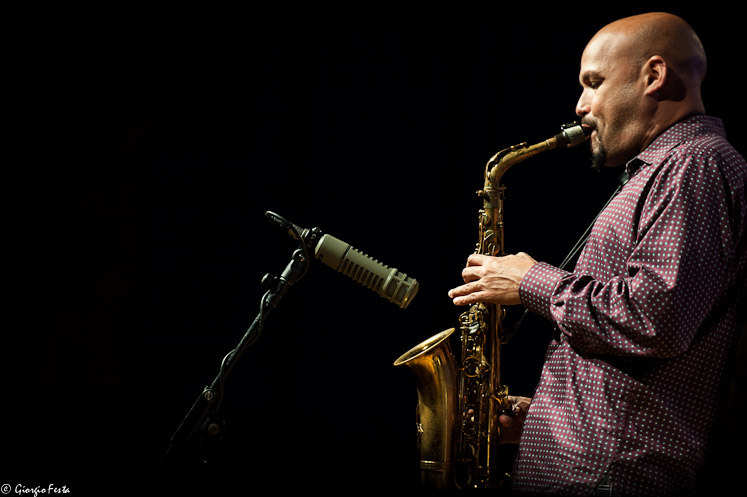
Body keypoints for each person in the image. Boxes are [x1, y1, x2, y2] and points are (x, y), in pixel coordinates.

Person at [448, 12, 746, 496]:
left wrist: (529, 281)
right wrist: (546, 417)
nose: (580, 105)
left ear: (654, 75)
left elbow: (654, 317)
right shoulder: (661, 171)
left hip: (607, 478)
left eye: (594, 83)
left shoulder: (696, 164)